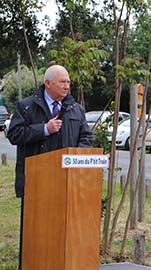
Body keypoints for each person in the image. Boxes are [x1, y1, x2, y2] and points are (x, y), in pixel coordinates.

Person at [7, 64, 93, 198]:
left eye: (68, 82)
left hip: (67, 179)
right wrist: (44, 129)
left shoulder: (76, 109)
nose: (67, 86)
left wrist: (77, 157)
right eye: (62, 82)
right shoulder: (26, 107)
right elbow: (14, 134)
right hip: (36, 181)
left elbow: (87, 137)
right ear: (48, 83)